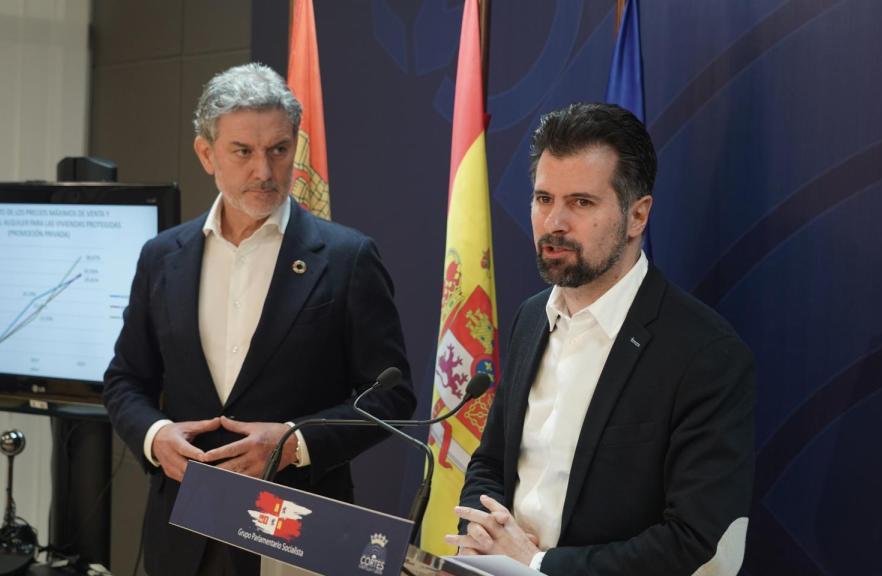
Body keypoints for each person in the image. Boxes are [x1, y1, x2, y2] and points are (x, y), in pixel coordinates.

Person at [103, 63, 416, 576]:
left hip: (295, 531)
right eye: (242, 152)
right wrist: (155, 436)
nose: (264, 172)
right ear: (207, 154)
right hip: (182, 531)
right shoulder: (162, 257)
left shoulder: (347, 257)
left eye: (278, 149)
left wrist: (296, 443)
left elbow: (392, 397)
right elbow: (124, 380)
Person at [446, 103, 755, 575]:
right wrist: (486, 532)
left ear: (637, 216)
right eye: (543, 198)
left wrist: (538, 563)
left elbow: (694, 539)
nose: (554, 223)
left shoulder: (705, 353)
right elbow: (491, 460)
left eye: (581, 203)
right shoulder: (531, 318)